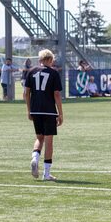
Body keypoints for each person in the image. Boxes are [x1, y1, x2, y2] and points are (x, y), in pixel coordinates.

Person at [24, 49, 64, 181]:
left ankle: (35, 158)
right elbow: (57, 94)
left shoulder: (31, 72)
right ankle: (46, 174)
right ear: (51, 60)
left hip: (35, 110)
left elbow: (26, 93)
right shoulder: (53, 73)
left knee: (39, 138)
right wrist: (60, 113)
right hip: (49, 111)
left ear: (40, 60)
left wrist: (29, 110)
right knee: (49, 142)